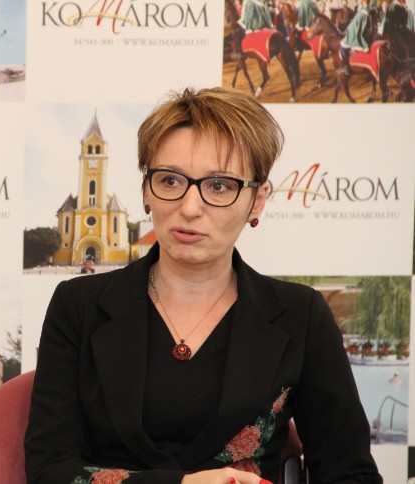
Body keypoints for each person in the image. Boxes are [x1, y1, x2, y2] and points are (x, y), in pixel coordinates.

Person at [24, 87, 382, 484]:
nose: (190, 207)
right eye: (170, 180)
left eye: (219, 186)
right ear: (146, 190)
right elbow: (48, 471)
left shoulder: (301, 316)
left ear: (257, 200)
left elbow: (351, 474)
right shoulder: (79, 305)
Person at [340, 0, 374, 74]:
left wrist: (348, 30)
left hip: (358, 34)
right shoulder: (367, 9)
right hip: (364, 32)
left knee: (342, 45)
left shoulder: (362, 12)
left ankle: (346, 67)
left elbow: (354, 26)